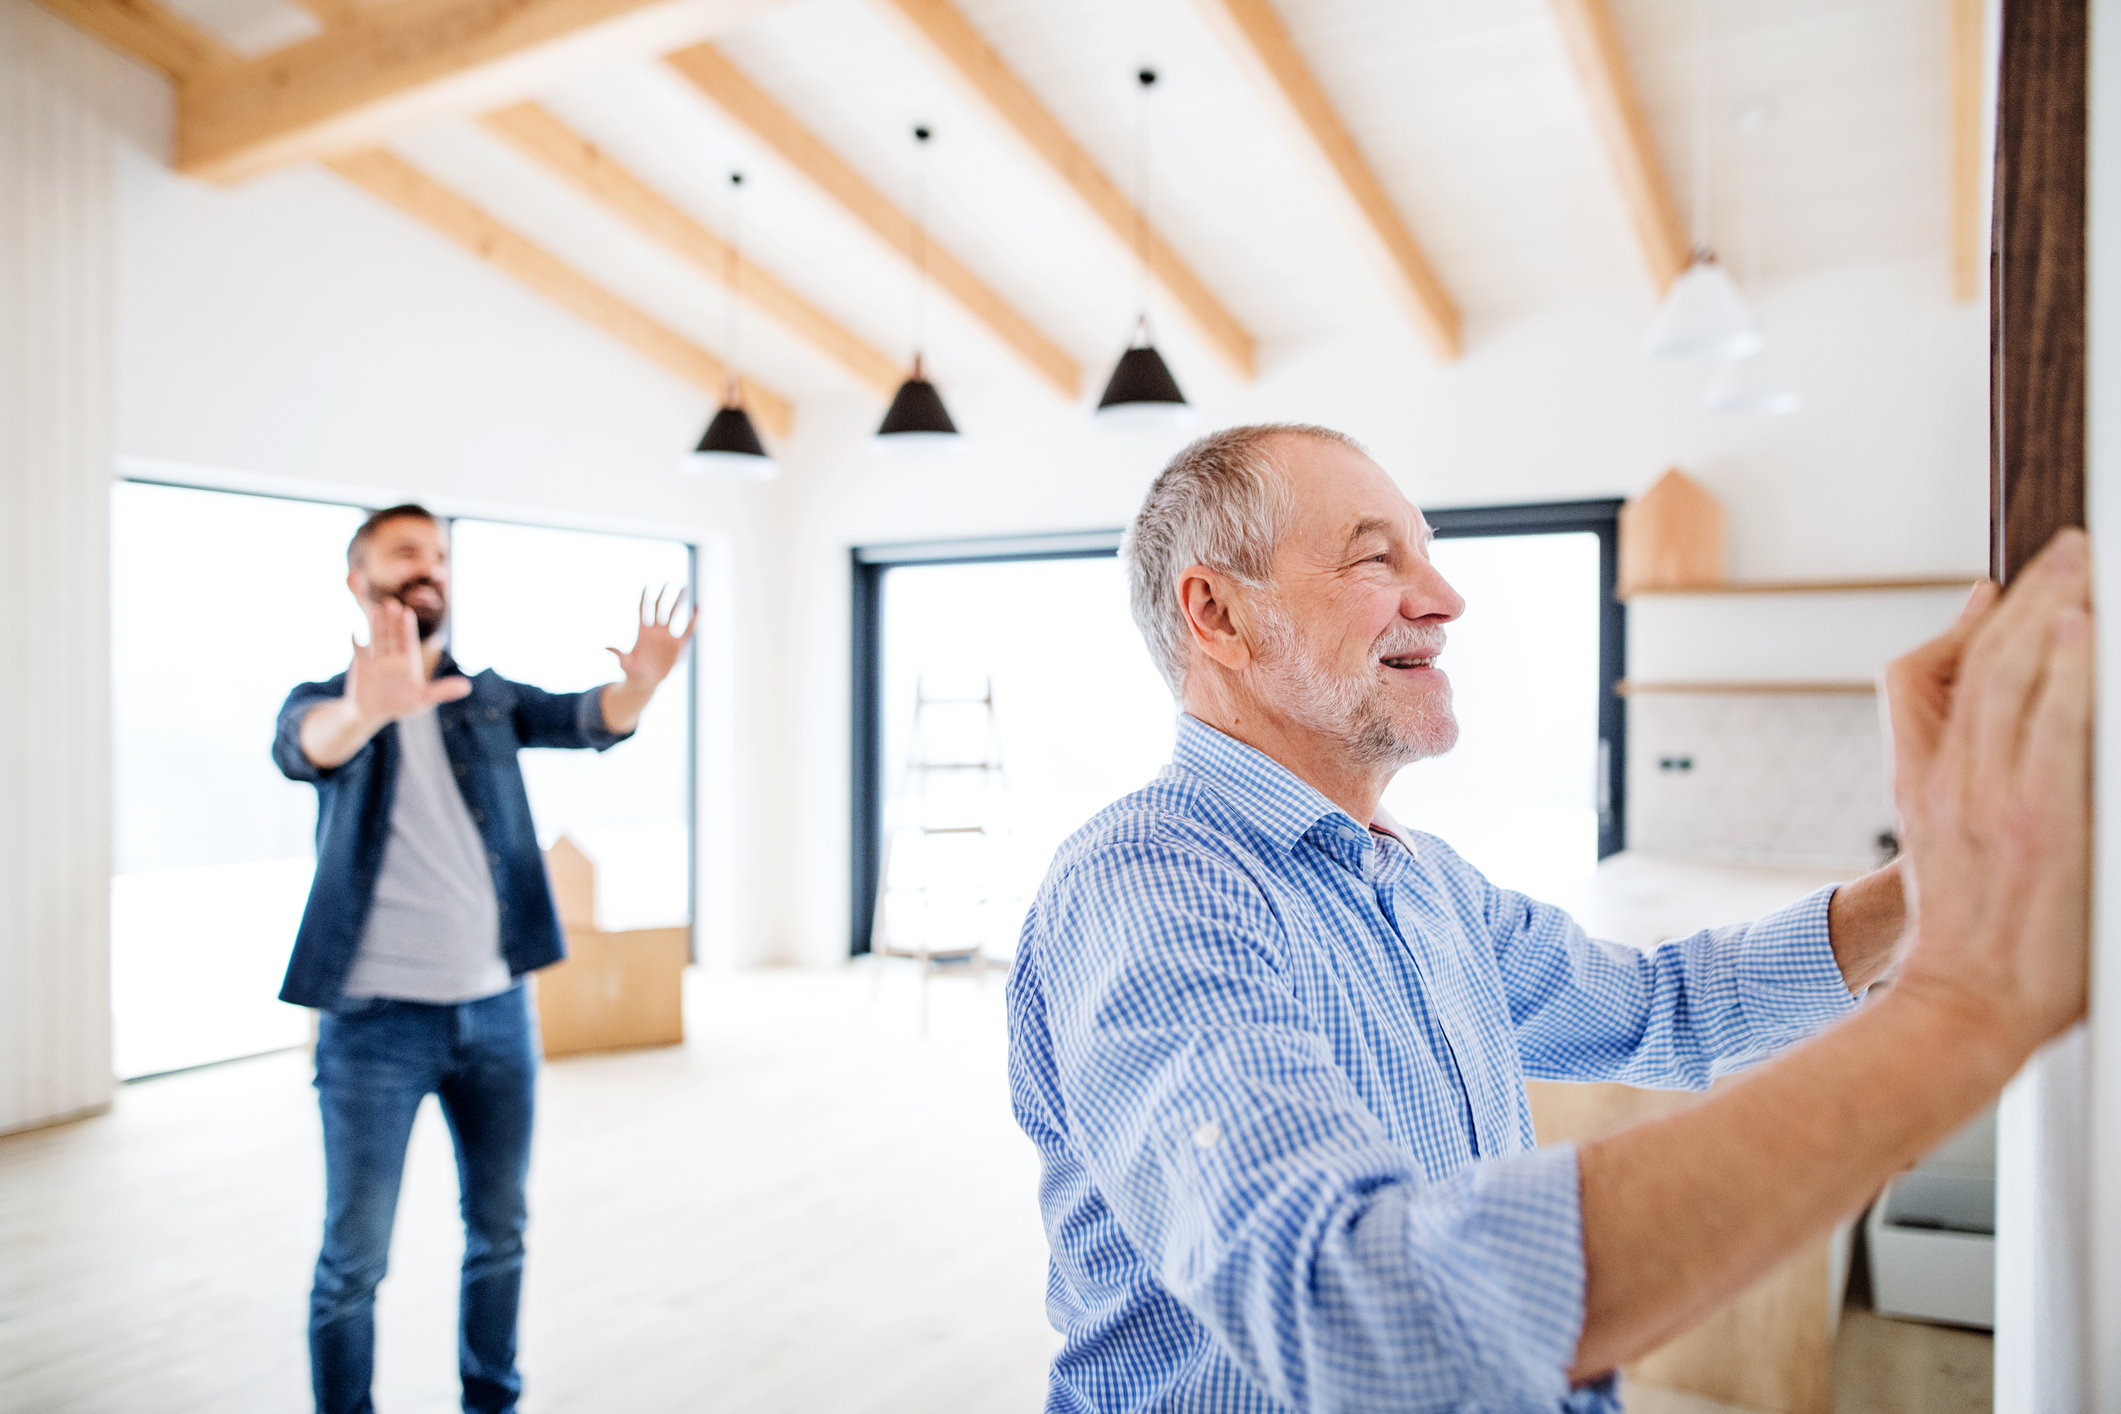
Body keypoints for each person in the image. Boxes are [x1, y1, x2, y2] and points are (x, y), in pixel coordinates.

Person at [1007, 424, 2092, 1411]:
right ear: (1220, 614)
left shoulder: (1425, 883)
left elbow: (1665, 1006)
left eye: (1425, 552)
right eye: (1376, 556)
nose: (1443, 597)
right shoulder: (1147, 885)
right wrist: (1961, 1009)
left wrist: (1934, 885)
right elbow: (1361, 1306)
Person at [272, 504, 693, 1414]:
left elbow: (591, 716)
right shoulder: (323, 701)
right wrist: (367, 709)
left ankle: (490, 1402)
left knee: (499, 1232)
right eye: (405, 553)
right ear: (358, 579)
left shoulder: (485, 698)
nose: (429, 568)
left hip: (497, 1012)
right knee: (356, 1258)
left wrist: (644, 687)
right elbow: (309, 747)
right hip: (372, 1028)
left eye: (440, 554)